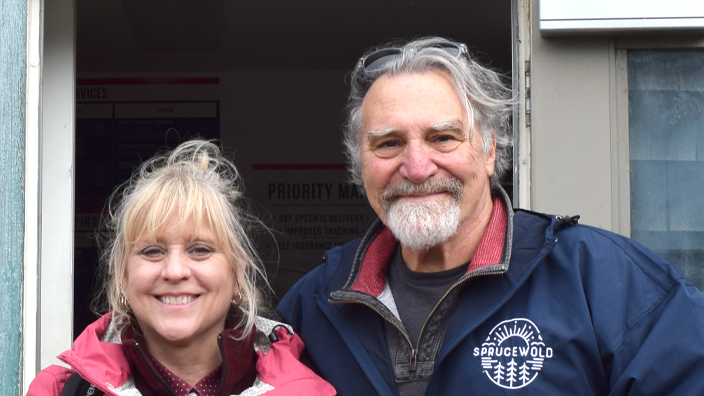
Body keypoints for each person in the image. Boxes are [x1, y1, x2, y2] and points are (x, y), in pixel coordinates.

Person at [276, 37, 704, 395]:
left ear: (489, 151)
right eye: (388, 144)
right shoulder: (312, 306)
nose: (417, 166)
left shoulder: (607, 282)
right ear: (361, 164)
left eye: (442, 138)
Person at [28, 140, 335, 396]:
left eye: (200, 250)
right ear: (122, 277)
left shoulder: (307, 389)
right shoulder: (60, 390)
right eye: (152, 251)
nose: (174, 271)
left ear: (238, 274)